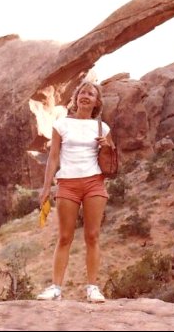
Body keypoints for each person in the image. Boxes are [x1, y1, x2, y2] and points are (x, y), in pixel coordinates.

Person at [36, 79, 114, 303]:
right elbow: (53, 158)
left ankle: (92, 288)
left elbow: (111, 158)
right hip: (67, 184)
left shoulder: (102, 127)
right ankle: (56, 289)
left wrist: (106, 145)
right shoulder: (62, 124)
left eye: (91, 93)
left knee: (92, 236)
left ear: (97, 101)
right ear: (76, 97)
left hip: (94, 183)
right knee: (64, 237)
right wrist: (46, 187)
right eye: (82, 92)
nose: (85, 96)